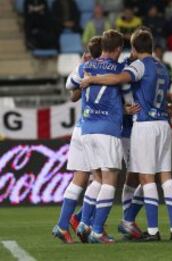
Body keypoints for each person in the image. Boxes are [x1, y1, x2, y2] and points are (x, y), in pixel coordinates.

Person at [81, 28, 172, 241]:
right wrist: (167, 104)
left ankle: (152, 230)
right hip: (163, 123)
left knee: (145, 178)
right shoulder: (162, 66)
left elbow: (119, 78)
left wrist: (93, 80)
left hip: (144, 124)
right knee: (165, 176)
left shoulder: (139, 65)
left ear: (134, 48)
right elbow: (154, 92)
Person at [76, 30, 127, 244]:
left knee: (97, 177)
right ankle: (97, 230)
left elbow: (71, 87)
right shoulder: (119, 68)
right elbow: (125, 87)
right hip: (108, 128)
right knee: (109, 180)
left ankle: (84, 223)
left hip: (87, 128)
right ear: (117, 49)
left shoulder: (85, 66)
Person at [52, 36, 102, 244]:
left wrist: (81, 68)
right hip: (98, 128)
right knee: (103, 178)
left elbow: (72, 93)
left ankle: (63, 225)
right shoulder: (112, 70)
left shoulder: (85, 68)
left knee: (80, 178)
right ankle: (87, 224)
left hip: (81, 128)